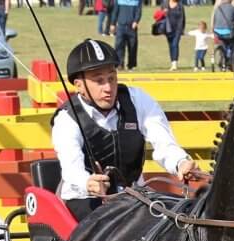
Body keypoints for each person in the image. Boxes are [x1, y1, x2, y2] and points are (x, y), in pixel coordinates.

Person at [52, 40, 197, 220]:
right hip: (84, 198)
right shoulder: (66, 119)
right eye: (99, 80)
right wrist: (88, 183)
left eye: (112, 78)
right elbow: (71, 169)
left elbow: (164, 143)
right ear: (79, 85)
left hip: (135, 195)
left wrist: (180, 162)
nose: (108, 88)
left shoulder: (138, 100)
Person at [110, 0, 142, 70]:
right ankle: (119, 64)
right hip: (121, 27)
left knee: (132, 46)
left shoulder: (137, 1)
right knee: (119, 46)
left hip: (132, 28)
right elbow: (115, 11)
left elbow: (139, 11)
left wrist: (136, 21)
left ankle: (131, 65)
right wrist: (113, 24)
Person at [164, 0, 186, 70]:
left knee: (175, 44)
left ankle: (174, 64)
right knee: (170, 46)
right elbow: (159, 15)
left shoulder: (180, 5)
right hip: (168, 29)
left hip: (178, 29)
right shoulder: (165, 4)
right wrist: (163, 12)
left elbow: (183, 18)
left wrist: (182, 29)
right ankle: (172, 62)